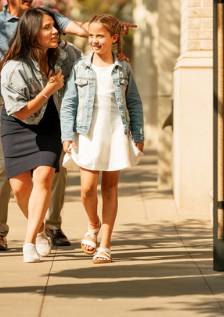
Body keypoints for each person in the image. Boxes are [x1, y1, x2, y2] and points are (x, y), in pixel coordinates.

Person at [0, 0, 101, 251]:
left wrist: (104, 33)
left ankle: (52, 226)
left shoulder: (45, 16)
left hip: (52, 103)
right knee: (5, 169)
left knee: (57, 168)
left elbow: (78, 29)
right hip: (10, 104)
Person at [61, 14, 144, 264]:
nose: (94, 40)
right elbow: (69, 103)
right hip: (87, 132)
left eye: (101, 36)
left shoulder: (123, 67)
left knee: (109, 188)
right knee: (87, 189)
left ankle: (105, 244)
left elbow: (134, 103)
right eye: (92, 35)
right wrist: (67, 135)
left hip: (116, 131)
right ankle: (93, 223)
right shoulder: (81, 66)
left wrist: (138, 134)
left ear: (113, 38)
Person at [0, 8, 74, 263]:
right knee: (19, 189)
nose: (55, 32)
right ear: (32, 33)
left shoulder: (64, 54)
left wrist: (116, 59)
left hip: (50, 121)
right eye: (47, 28)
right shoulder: (13, 68)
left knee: (44, 176)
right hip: (18, 124)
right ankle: (39, 228)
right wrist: (48, 90)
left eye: (55, 26)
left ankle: (28, 243)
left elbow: (89, 61)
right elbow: (20, 113)